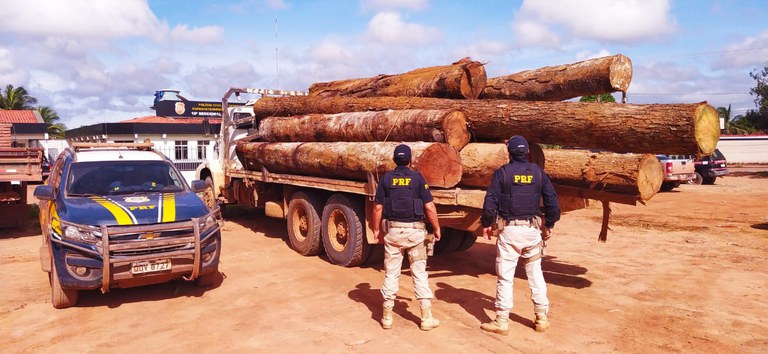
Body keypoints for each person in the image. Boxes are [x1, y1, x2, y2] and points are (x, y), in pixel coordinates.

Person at [479, 135, 561, 335]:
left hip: (510, 232)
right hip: (532, 232)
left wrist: (486, 223)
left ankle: (502, 321)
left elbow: (490, 202)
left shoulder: (503, 174)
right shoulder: (539, 173)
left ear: (509, 152)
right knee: (535, 274)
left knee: (505, 277)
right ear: (528, 152)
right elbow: (552, 202)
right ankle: (541, 317)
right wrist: (549, 224)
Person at [371, 144, 442, 331]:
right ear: (410, 160)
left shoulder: (386, 179)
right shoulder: (418, 179)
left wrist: (376, 229)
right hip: (415, 235)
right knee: (419, 274)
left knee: (391, 273)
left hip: (393, 234)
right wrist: (436, 228)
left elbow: (378, 207)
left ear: (395, 160)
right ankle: (426, 318)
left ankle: (386, 317)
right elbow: (429, 207)